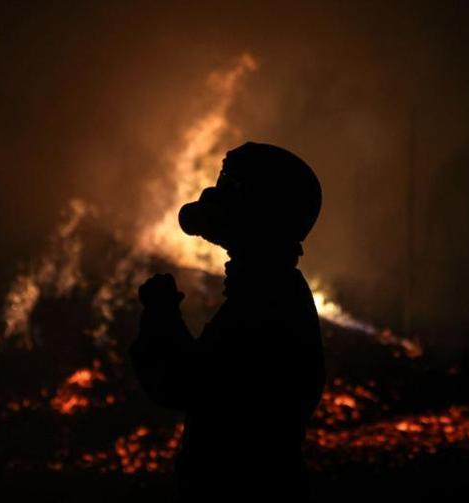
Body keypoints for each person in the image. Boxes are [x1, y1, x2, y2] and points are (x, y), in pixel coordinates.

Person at [130, 142, 325, 501]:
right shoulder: (273, 290)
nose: (213, 197)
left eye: (228, 186)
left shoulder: (265, 301)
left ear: (258, 206)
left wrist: (161, 313)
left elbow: (182, 385)